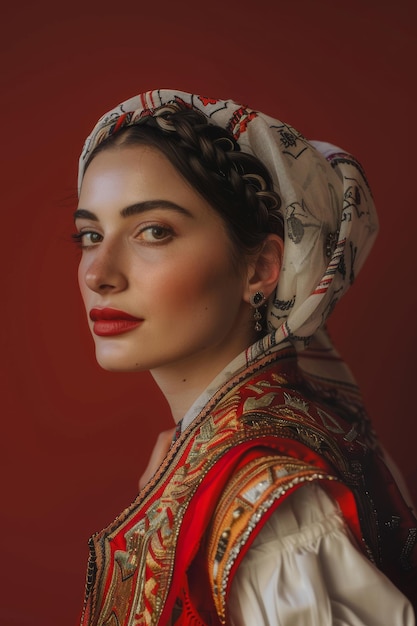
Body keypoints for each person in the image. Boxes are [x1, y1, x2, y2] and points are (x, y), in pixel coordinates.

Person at [74, 89, 416, 625]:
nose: (98, 274)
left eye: (154, 232)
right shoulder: (259, 437)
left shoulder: (272, 511)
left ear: (259, 268)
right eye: (90, 235)